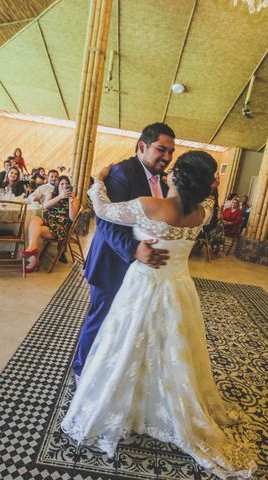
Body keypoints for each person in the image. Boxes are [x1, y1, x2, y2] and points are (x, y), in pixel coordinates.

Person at [61, 151, 256, 479]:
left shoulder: (151, 205)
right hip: (179, 288)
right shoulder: (203, 214)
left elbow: (102, 210)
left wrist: (97, 180)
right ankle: (158, 401)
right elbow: (204, 205)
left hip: (144, 287)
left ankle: (131, 400)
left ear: (177, 175)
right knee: (172, 346)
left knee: (129, 342)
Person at [72, 122, 175, 380]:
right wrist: (133, 250)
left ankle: (108, 369)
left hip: (139, 272)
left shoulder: (161, 182)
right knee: (101, 318)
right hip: (112, 263)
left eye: (171, 152)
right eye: (161, 150)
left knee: (121, 323)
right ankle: (80, 371)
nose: (167, 157)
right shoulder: (122, 173)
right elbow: (106, 221)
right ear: (142, 146)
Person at [20, 175, 80, 272]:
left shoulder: (74, 199)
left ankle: (33, 258)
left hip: (60, 227)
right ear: (57, 186)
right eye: (62, 184)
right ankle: (32, 250)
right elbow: (45, 206)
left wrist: (70, 201)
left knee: (36, 231)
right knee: (34, 219)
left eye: (67, 184)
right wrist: (60, 196)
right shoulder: (51, 194)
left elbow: (73, 218)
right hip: (48, 220)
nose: (64, 186)